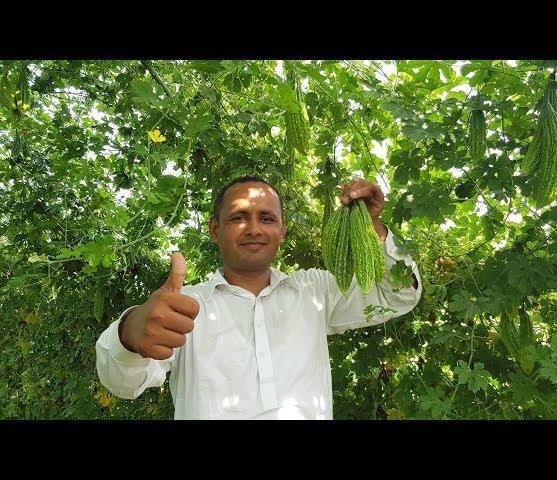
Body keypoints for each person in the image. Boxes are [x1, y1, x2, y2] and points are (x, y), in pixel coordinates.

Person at [95, 175, 422, 419]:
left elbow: (399, 294)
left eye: (267, 218)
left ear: (282, 231)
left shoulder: (315, 292)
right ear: (214, 230)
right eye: (238, 217)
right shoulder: (185, 308)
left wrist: (372, 227)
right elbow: (124, 385)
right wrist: (128, 335)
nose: (254, 228)